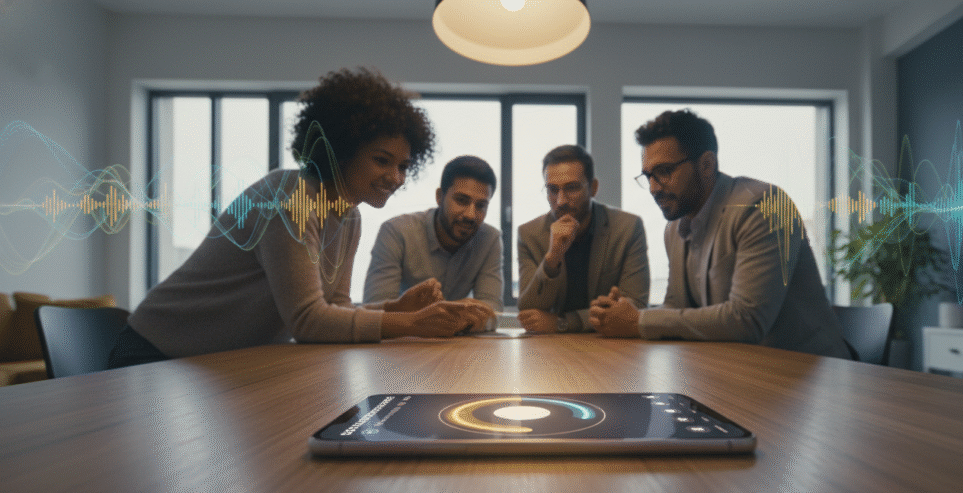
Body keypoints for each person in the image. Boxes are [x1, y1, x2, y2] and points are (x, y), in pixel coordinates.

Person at [108, 67, 489, 368]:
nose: (396, 178)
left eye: (404, 166)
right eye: (381, 160)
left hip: (209, 365)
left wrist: (398, 309)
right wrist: (412, 324)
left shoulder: (348, 216)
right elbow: (308, 321)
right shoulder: (290, 198)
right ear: (341, 150)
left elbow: (333, 308)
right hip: (153, 355)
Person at [589, 109, 851, 359]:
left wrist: (639, 321)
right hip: (741, 370)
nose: (654, 188)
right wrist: (624, 315)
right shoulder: (674, 228)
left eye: (665, 172)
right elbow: (676, 306)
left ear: (706, 164)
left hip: (813, 375)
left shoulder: (763, 206)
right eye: (648, 176)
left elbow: (748, 319)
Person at [517, 144, 649, 333]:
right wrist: (553, 257)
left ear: (593, 188)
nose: (561, 201)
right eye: (552, 190)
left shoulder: (627, 228)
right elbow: (528, 312)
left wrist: (563, 322)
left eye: (571, 188)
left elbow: (636, 306)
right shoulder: (529, 234)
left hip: (611, 346)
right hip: (551, 349)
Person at [363, 155, 502, 331]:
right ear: (439, 197)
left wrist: (457, 317)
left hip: (458, 346)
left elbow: (493, 311)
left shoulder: (490, 238)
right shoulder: (396, 231)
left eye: (481, 205)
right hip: (402, 343)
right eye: (461, 200)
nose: (470, 214)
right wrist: (465, 311)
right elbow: (375, 309)